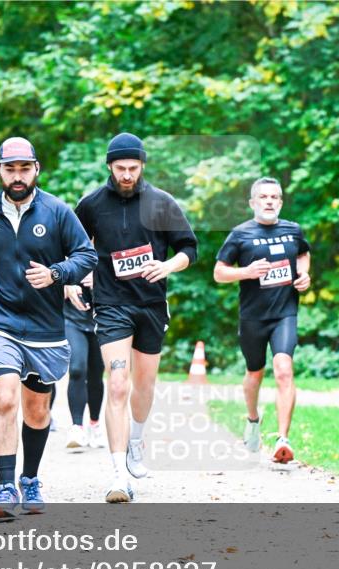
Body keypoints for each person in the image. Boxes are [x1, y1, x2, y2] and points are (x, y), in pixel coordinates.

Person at [0, 136, 97, 518]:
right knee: (4, 398)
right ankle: (4, 487)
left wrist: (56, 274)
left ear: (36, 170)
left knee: (36, 411)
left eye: (25, 168)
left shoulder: (58, 211)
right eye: (11, 169)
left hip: (45, 326)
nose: (18, 176)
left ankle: (29, 479)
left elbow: (87, 255)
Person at [75, 133, 197, 502]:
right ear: (109, 167)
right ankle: (117, 475)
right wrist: (73, 281)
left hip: (151, 304)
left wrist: (167, 266)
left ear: (142, 165)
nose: (127, 174)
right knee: (117, 383)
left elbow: (189, 248)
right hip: (111, 304)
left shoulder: (162, 202)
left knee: (144, 385)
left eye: (133, 168)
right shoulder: (92, 204)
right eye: (120, 168)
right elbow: (75, 249)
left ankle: (136, 442)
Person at [212, 177, 311, 464]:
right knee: (255, 372)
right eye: (263, 197)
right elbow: (219, 273)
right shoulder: (240, 234)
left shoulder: (293, 230)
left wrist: (304, 275)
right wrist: (247, 272)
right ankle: (253, 419)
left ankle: (283, 440)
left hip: (285, 313)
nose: (269, 201)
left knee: (283, 369)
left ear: (280, 202)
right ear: (253, 203)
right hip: (253, 316)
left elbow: (303, 253)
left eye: (274, 197)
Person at [63, 271, 105, 449]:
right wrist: (64, 284)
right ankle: (77, 427)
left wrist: (101, 280)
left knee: (96, 374)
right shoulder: (67, 247)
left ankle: (95, 425)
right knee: (77, 368)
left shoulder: (108, 248)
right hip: (72, 320)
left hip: (101, 321)